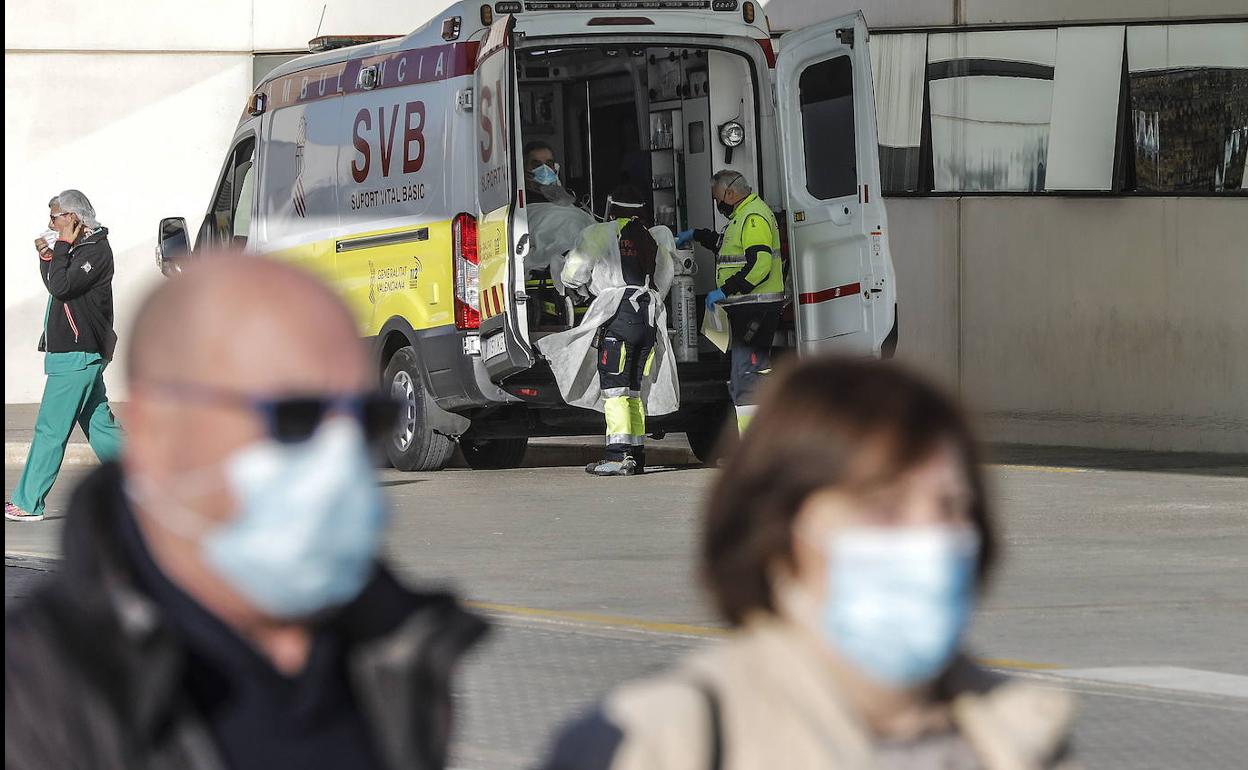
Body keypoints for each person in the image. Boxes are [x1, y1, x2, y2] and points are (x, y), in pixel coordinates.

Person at [5, 257, 488, 770]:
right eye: (294, 417)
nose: (338, 458)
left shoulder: (396, 651)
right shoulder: (36, 705)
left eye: (368, 419)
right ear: (156, 431)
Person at [539, 357, 1078, 769]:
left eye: (952, 506)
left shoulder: (1026, 735)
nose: (929, 536)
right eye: (883, 508)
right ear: (779, 535)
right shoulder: (654, 742)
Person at [537, 188, 679, 476]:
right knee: (634, 389)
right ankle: (636, 455)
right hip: (648, 319)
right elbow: (664, 281)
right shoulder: (654, 239)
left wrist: (582, 285)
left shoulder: (598, 234)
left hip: (619, 317)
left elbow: (573, 274)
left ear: (610, 211)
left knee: (614, 388)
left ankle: (617, 454)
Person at [6, 190, 123, 522]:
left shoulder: (96, 250)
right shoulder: (77, 248)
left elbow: (62, 287)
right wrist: (48, 255)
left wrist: (59, 247)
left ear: (73, 217)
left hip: (77, 354)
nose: (50, 223)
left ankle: (28, 503)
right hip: (73, 355)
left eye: (55, 217)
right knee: (101, 428)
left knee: (49, 430)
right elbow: (57, 285)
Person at [676, 170, 783, 433]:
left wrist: (725, 290)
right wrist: (696, 235)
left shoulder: (753, 217)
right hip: (747, 308)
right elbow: (725, 246)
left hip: (756, 308)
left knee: (747, 377)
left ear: (730, 193)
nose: (717, 204)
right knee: (745, 375)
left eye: (717, 198)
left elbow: (760, 264)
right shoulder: (741, 216)